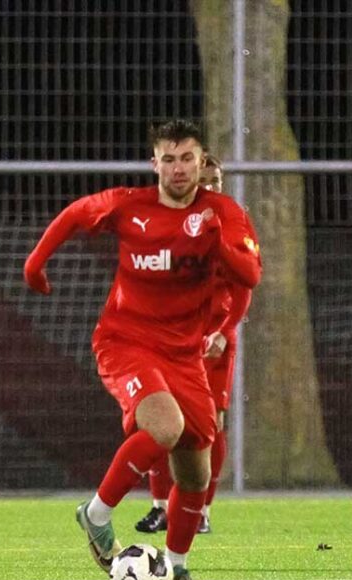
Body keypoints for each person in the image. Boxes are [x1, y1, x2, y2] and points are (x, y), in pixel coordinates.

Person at [23, 120, 262, 580]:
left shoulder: (224, 213)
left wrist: (216, 239)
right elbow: (76, 213)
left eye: (187, 158)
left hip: (184, 354)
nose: (179, 168)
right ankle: (96, 514)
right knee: (165, 427)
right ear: (155, 164)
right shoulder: (130, 205)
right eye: (168, 159)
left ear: (201, 162)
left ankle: (177, 569)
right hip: (125, 342)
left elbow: (250, 274)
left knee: (194, 474)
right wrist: (35, 263)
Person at [134, 153, 253, 535]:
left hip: (214, 337)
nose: (212, 188)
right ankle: (159, 506)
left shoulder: (233, 223)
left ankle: (200, 511)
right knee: (161, 417)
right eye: (205, 181)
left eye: (216, 181)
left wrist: (224, 330)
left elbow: (244, 285)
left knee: (210, 424)